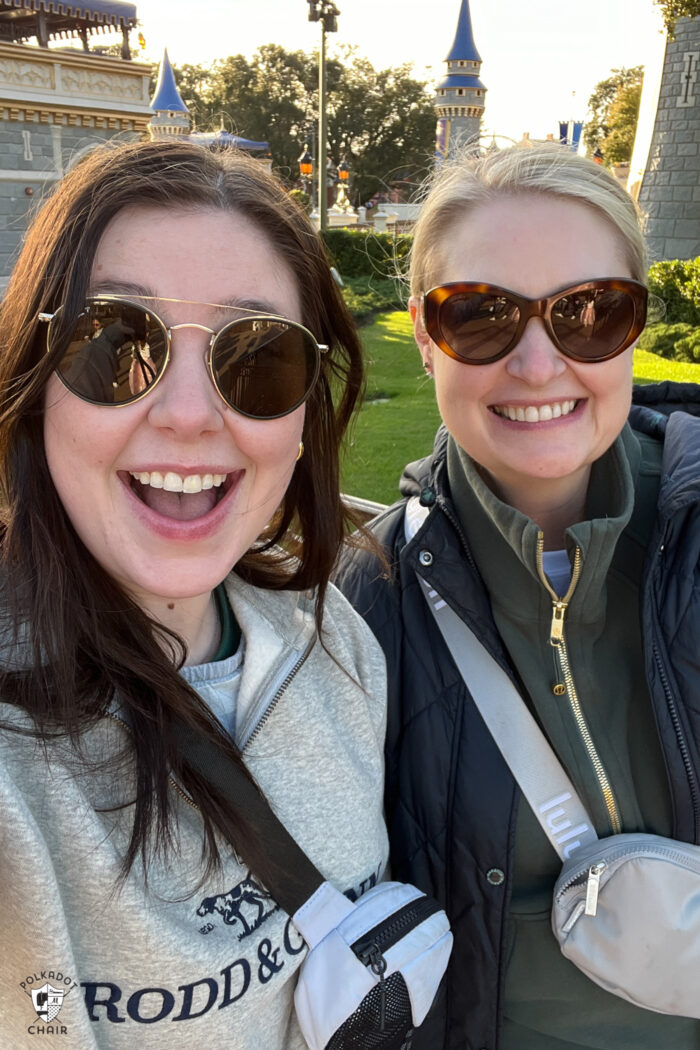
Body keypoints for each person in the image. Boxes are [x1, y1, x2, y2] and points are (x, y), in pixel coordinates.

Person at [0, 139, 389, 1048]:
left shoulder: (339, 647)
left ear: (303, 420)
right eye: (114, 344)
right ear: (34, 383)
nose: (186, 413)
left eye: (259, 359)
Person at [336, 143, 700, 1049]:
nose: (539, 365)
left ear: (633, 324)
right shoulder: (363, 609)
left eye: (588, 312)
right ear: (424, 337)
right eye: (482, 317)